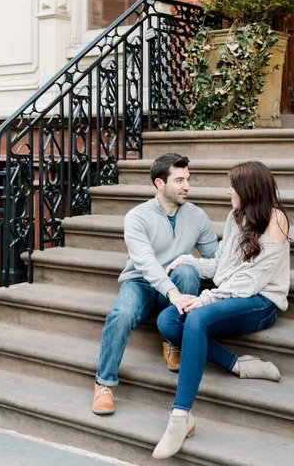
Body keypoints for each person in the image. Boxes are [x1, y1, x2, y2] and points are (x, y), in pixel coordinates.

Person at [152, 160, 290, 460]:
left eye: (234, 185)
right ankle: (238, 365)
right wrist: (188, 261)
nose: (229, 190)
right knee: (167, 320)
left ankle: (180, 416)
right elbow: (222, 266)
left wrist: (204, 300)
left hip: (261, 302)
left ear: (249, 190)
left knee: (196, 318)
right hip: (229, 295)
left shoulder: (276, 221)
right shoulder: (235, 216)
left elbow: (250, 281)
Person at [92, 153, 219, 415]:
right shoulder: (137, 216)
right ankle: (104, 383)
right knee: (121, 314)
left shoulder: (197, 216)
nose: (187, 186)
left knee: (187, 269)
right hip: (140, 283)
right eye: (179, 180)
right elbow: (145, 262)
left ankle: (171, 338)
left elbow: (215, 259)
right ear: (160, 184)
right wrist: (172, 293)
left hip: (176, 284)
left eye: (188, 180)